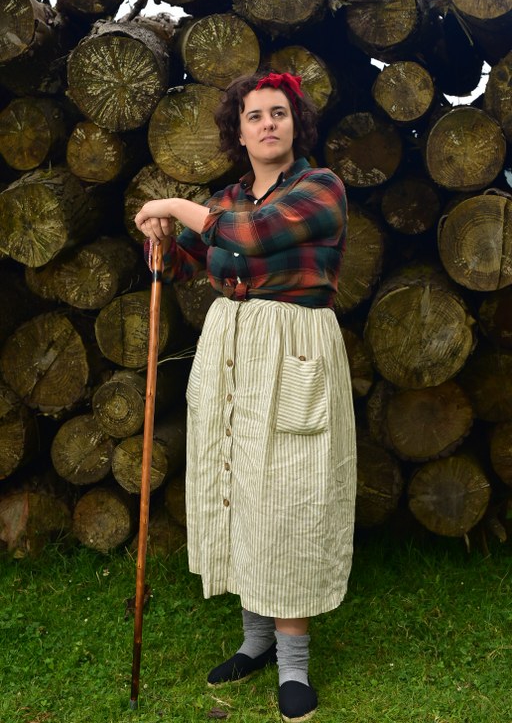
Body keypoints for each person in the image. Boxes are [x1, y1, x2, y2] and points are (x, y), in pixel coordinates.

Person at [134, 71, 357, 723]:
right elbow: (190, 263)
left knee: (288, 496)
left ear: (295, 123)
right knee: (238, 483)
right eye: (254, 115)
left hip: (294, 348)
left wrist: (174, 205)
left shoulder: (321, 189)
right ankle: (255, 641)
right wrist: (160, 239)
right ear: (239, 130)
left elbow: (250, 236)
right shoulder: (228, 198)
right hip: (231, 346)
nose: (267, 124)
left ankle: (294, 664)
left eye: (278, 113)